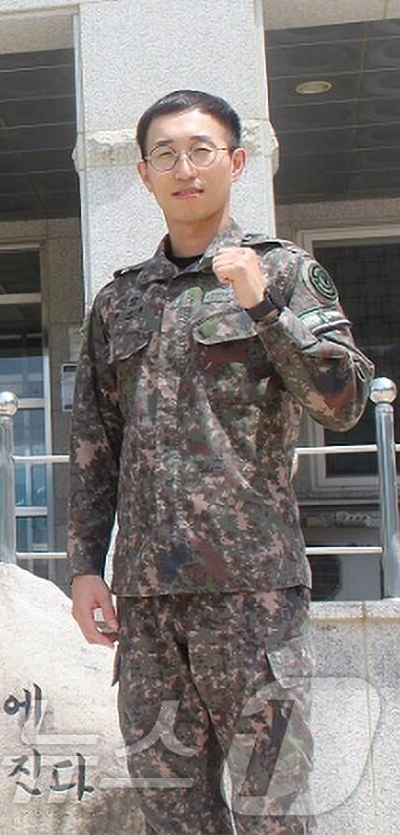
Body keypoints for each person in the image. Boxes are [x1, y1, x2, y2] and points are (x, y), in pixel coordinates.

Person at [67, 89, 374, 834]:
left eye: (200, 150)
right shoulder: (119, 302)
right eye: (164, 154)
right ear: (143, 175)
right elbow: (93, 441)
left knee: (272, 810)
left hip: (252, 596)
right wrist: (82, 567)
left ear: (235, 162)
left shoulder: (283, 272)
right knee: (170, 813)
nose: (183, 167)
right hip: (147, 606)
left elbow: (343, 402)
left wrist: (265, 309)